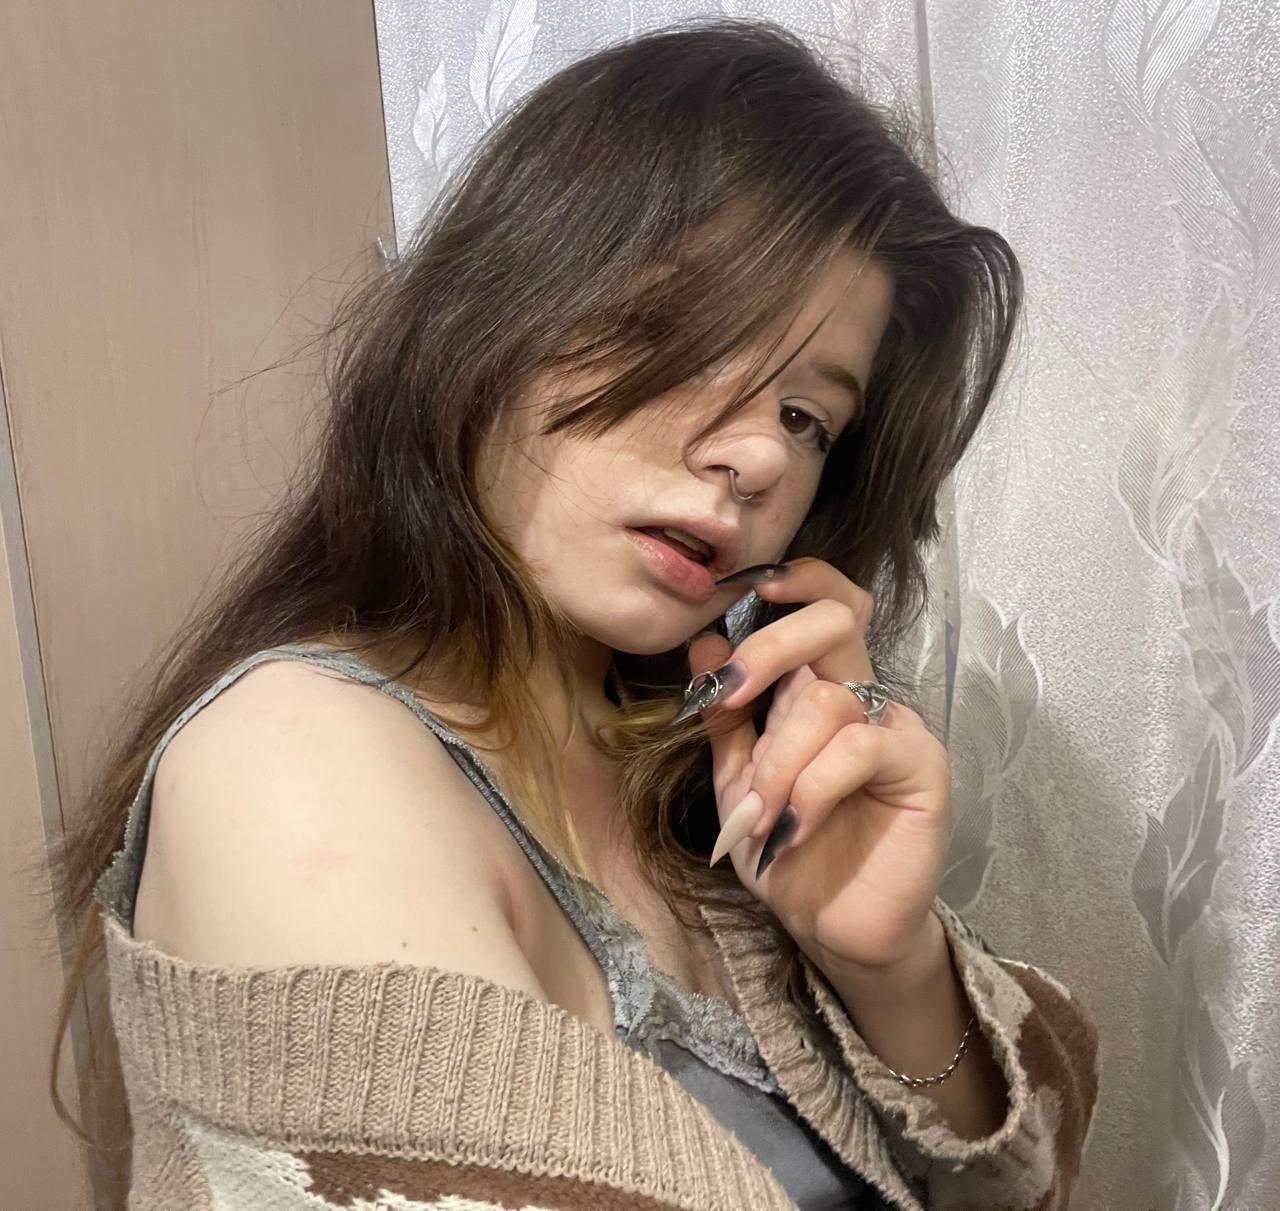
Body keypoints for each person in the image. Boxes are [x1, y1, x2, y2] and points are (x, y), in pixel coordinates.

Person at [49, 17, 1097, 1210]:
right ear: (501, 305)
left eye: (807, 417)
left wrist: (889, 965)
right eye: (699, 334)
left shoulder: (708, 788)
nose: (760, 455)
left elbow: (1019, 1187)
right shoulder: (289, 759)